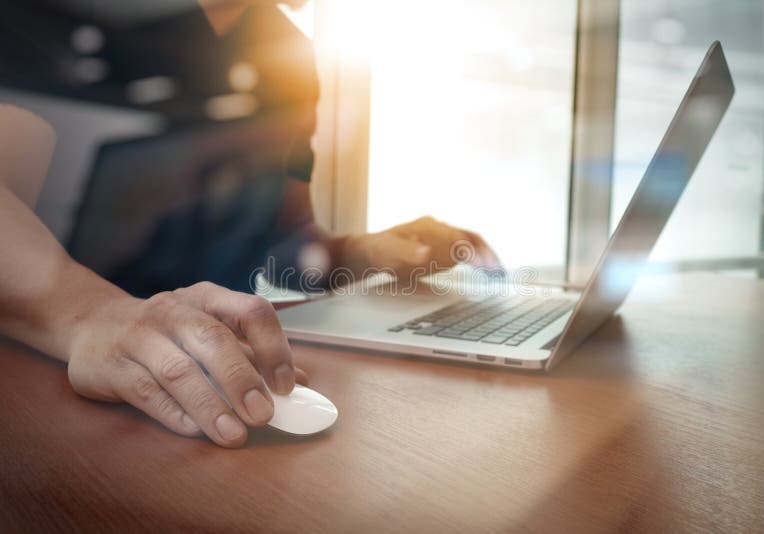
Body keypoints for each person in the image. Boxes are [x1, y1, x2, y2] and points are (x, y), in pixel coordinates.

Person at [0, 1, 499, 448]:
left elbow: (272, 236)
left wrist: (354, 254)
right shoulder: (48, 22)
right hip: (48, 385)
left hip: (208, 376)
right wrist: (88, 313)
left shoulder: (286, 52)